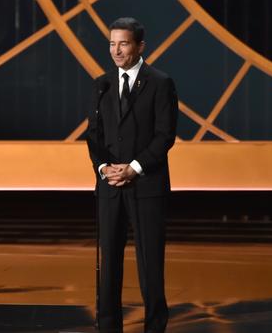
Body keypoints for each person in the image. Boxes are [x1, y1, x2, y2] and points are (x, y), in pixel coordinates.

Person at [86, 17, 178, 333]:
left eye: (123, 43)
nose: (116, 50)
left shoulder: (160, 82)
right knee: (109, 264)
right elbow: (93, 135)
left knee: (150, 265)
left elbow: (165, 135)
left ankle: (154, 327)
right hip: (110, 187)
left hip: (146, 186)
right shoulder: (102, 83)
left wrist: (134, 168)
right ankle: (109, 327)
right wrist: (104, 168)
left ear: (140, 46)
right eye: (112, 43)